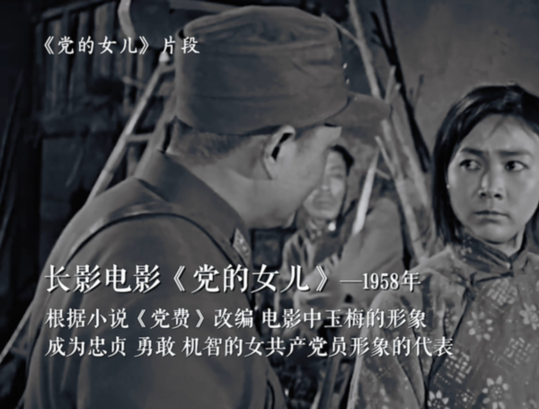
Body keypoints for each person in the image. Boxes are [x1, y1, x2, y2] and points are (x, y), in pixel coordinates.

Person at [19, 6, 390, 409]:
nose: (321, 179)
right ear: (277, 149)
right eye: (325, 151)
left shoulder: (130, 215)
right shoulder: (174, 282)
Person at [347, 84, 539, 409]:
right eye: (471, 164)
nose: (491, 187)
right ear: (446, 176)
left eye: (513, 165)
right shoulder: (406, 306)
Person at [273, 145, 405, 409]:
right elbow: (285, 339)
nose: (324, 188)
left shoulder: (376, 219)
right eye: (313, 176)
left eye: (334, 175)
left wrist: (307, 303)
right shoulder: (296, 247)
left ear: (348, 182)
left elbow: (340, 285)